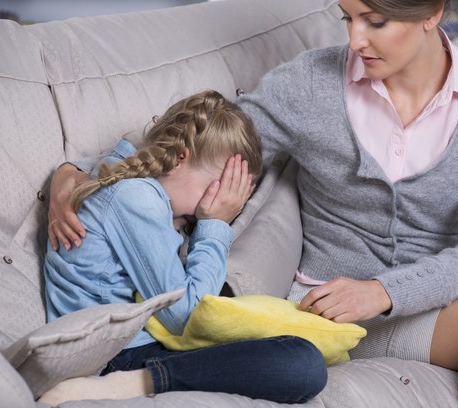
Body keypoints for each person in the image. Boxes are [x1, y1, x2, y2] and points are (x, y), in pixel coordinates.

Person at [48, 1, 458, 406]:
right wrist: (75, 173)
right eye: (347, 17)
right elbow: (196, 146)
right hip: (328, 306)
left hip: (428, 299)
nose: (354, 40)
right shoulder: (309, 86)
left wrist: (385, 291)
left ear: (433, 13)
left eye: (374, 20)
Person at [40, 90, 327, 406]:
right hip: (119, 356)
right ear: (180, 156)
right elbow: (185, 316)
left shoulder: (129, 179)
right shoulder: (137, 199)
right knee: (303, 365)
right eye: (214, 190)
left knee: (300, 354)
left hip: (145, 345)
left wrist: (66, 171)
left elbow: (109, 160)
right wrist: (216, 223)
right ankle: (135, 383)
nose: (213, 204)